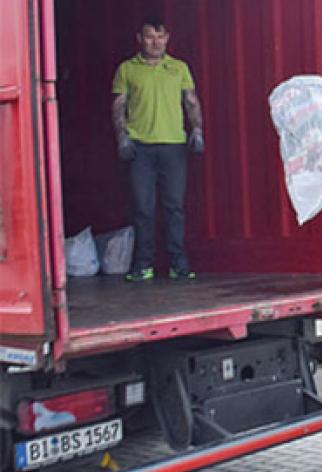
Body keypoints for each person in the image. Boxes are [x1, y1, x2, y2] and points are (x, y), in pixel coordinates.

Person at [112, 16, 204, 282]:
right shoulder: (127, 69)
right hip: (140, 148)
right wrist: (121, 137)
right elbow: (119, 105)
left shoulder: (179, 68)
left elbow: (191, 102)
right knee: (143, 207)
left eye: (160, 36)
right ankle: (143, 265)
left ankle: (179, 264)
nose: (155, 42)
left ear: (167, 38)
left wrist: (197, 129)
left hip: (174, 146)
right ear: (139, 39)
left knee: (174, 207)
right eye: (150, 36)